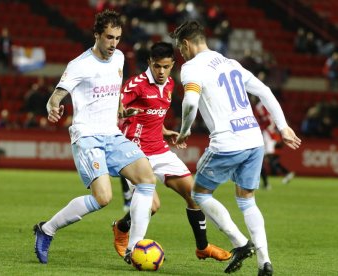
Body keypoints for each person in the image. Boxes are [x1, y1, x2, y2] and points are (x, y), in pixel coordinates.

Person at [170, 21, 301, 276]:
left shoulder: (191, 67)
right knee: (247, 200)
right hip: (253, 141)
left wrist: (185, 130)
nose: (181, 54)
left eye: (180, 49)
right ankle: (265, 262)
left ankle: (240, 244)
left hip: (226, 142)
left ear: (186, 44)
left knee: (199, 195)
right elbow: (264, 91)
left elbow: (189, 104)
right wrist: (283, 127)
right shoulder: (231, 63)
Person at [33, 10, 157, 265]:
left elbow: (115, 93)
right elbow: (56, 95)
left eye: (118, 38)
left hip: (112, 133)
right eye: (109, 37)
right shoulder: (80, 65)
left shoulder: (120, 58)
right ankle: (46, 229)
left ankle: (133, 248)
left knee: (147, 179)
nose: (114, 44)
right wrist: (53, 106)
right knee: (104, 198)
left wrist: (122, 110)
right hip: (87, 136)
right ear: (97, 35)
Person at [112, 42, 231, 262]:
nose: (160, 71)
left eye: (165, 67)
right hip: (135, 153)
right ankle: (127, 238)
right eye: (156, 66)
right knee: (153, 206)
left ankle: (203, 247)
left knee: (195, 195)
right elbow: (115, 106)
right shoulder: (136, 84)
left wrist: (164, 131)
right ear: (149, 63)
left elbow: (153, 116)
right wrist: (122, 111)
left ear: (172, 65)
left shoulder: (169, 85)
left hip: (160, 149)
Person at [253, 99, 295, 187]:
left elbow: (265, 121)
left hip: (267, 135)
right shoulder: (268, 103)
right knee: (267, 159)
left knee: (261, 160)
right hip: (272, 135)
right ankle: (286, 173)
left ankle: (266, 183)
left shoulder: (260, 106)